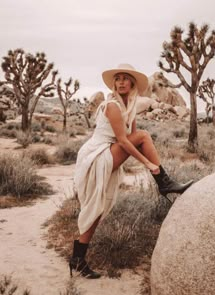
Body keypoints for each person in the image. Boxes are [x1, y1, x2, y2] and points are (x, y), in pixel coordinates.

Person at [70, 64, 193, 278]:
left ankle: (78, 260)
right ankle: (163, 182)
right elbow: (125, 142)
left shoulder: (131, 107)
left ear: (133, 83)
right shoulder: (112, 106)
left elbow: (132, 140)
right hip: (97, 155)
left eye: (125, 78)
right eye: (118, 78)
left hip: (110, 152)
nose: (121, 82)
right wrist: (148, 164)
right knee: (145, 136)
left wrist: (145, 159)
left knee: (97, 210)